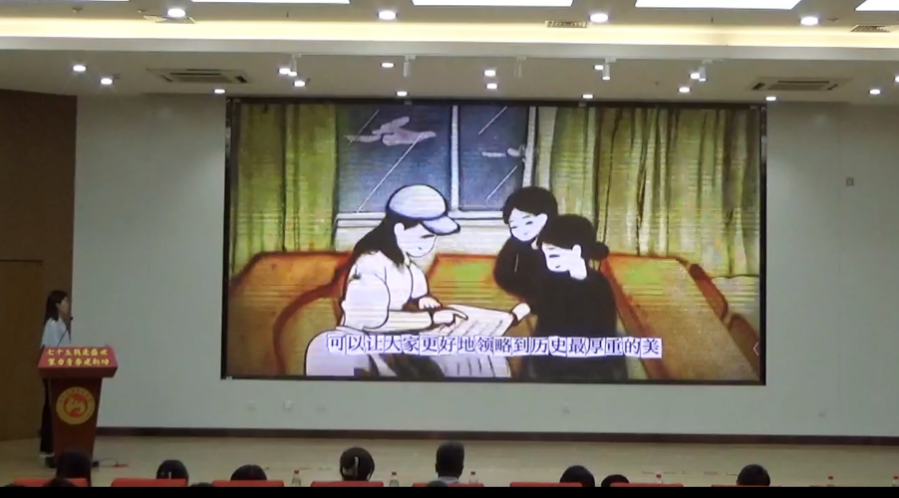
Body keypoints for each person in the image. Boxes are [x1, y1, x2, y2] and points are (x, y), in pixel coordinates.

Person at [305, 184, 509, 379]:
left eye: (433, 237)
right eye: (424, 236)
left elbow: (418, 293)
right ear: (399, 229)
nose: (429, 244)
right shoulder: (371, 263)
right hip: (361, 341)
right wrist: (431, 319)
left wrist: (424, 301)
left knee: (472, 352)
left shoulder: (409, 268)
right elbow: (371, 320)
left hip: (393, 343)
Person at [526, 214, 626, 382]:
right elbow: (540, 306)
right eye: (546, 255)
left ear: (577, 251)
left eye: (554, 256)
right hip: (551, 360)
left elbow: (602, 331)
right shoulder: (551, 280)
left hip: (590, 362)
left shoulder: (598, 286)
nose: (549, 262)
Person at [494, 186, 558, 303]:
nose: (522, 230)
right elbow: (502, 274)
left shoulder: (557, 244)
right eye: (514, 226)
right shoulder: (513, 244)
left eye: (528, 222)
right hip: (525, 300)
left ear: (545, 218)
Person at [39, 290, 71, 465]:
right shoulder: (51, 325)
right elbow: (50, 350)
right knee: (51, 407)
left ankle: (58, 443)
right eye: (65, 301)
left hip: (63, 371)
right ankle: (49, 446)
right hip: (52, 372)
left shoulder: (61, 324)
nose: (68, 305)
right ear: (58, 304)